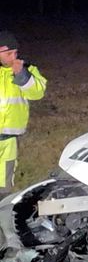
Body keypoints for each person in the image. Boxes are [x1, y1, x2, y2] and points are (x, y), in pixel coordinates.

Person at [0, 30, 48, 193]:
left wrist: (22, 75)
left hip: (9, 140)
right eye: (9, 53)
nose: (14, 57)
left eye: (15, 52)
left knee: (4, 186)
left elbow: (37, 93)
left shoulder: (27, 69)